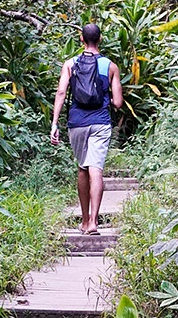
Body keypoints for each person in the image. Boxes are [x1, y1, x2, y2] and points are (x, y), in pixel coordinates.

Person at [50, 24, 123, 235]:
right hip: (100, 122)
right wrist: (105, 97)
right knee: (96, 168)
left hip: (77, 123)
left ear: (81, 39)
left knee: (83, 168)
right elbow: (118, 102)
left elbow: (62, 92)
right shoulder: (110, 66)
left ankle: (83, 221)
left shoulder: (70, 64)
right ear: (100, 39)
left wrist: (55, 124)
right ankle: (93, 222)